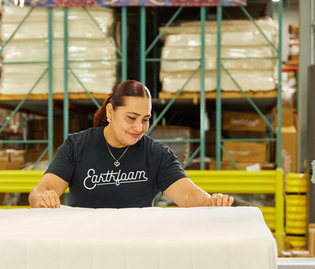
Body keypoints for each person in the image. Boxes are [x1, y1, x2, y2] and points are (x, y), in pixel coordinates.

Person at [29, 80, 234, 209]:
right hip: (86, 243)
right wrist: (43, 197)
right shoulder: (76, 146)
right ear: (110, 112)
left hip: (137, 244)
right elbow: (42, 190)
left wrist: (211, 202)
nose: (139, 127)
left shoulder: (157, 155)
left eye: (145, 119)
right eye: (131, 118)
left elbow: (188, 194)